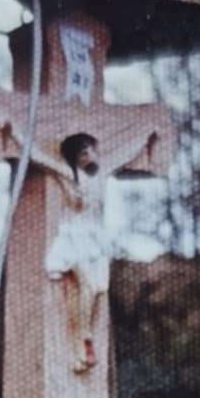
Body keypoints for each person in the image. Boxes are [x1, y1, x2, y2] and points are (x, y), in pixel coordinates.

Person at [37, 128, 154, 377]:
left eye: (91, 151)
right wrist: (14, 133)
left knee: (91, 292)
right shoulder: (69, 174)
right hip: (73, 238)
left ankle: (80, 351)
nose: (89, 156)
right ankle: (84, 337)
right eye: (83, 153)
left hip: (95, 242)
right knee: (86, 285)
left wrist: (145, 137)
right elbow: (39, 157)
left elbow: (125, 153)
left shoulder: (102, 173)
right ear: (75, 157)